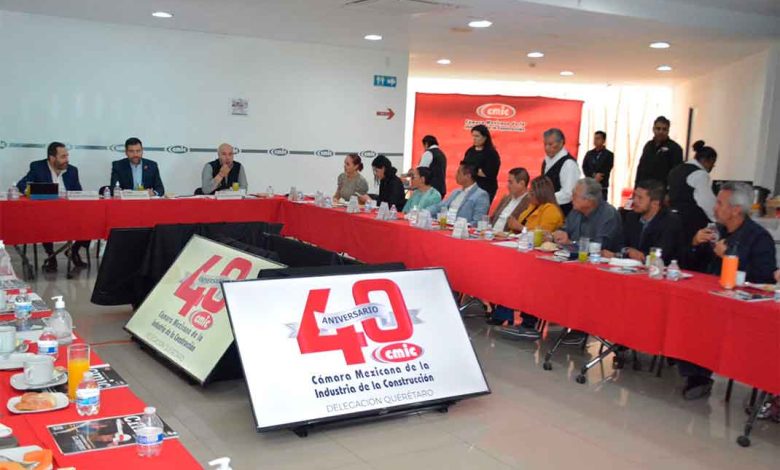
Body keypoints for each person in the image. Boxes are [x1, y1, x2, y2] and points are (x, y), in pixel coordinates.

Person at [678, 182, 777, 400]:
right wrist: (694, 243)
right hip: (707, 296)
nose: (715, 208)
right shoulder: (716, 231)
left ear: (736, 210)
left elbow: (764, 277)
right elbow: (690, 265)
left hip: (741, 307)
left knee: (706, 320)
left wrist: (729, 258)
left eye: (720, 204)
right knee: (684, 310)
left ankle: (700, 376)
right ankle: (691, 371)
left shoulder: (759, 238)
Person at [552, 178, 624, 346]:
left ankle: (581, 328)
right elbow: (565, 229)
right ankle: (541, 317)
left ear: (589, 200)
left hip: (602, 271)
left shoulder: (608, 215)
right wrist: (560, 234)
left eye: (575, 195)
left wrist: (572, 243)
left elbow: (599, 246)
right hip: (573, 264)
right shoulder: (576, 211)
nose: (571, 198)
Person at [493, 177, 565, 337]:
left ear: (541, 193)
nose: (530, 195)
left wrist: (520, 227)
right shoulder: (532, 207)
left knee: (521, 276)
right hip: (523, 250)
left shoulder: (551, 211)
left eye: (532, 192)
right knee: (504, 269)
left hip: (541, 257)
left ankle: (526, 322)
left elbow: (543, 235)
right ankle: (503, 313)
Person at [16, 142, 89, 271]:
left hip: (69, 212)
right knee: (44, 220)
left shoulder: (72, 170)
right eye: (63, 156)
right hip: (45, 213)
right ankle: (51, 256)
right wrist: (39, 192)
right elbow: (21, 185)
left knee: (92, 219)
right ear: (52, 158)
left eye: (67, 156)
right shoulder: (38, 167)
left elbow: (78, 192)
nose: (67, 159)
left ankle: (73, 251)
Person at [602, 180, 685, 265]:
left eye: (640, 198)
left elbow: (661, 254)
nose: (634, 200)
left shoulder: (670, 221)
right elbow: (618, 243)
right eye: (634, 196)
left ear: (655, 203)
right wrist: (627, 251)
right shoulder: (632, 216)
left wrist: (638, 255)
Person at [667, 140, 717, 248]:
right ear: (707, 161)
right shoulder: (700, 174)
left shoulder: (675, 170)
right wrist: (717, 218)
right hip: (691, 222)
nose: (712, 168)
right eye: (713, 164)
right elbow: (706, 201)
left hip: (672, 218)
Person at [427, 162, 490, 226]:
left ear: (468, 176)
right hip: (446, 224)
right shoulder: (456, 192)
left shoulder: (481, 195)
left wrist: (460, 225)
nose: (456, 175)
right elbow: (440, 206)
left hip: (461, 228)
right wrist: (426, 211)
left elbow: (478, 221)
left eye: (459, 173)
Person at [634, 116, 683, 188]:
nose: (661, 132)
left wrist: (669, 191)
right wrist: (636, 187)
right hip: (645, 188)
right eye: (658, 128)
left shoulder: (675, 148)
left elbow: (676, 174)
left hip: (661, 190)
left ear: (668, 131)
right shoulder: (648, 145)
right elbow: (640, 168)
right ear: (653, 129)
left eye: (664, 129)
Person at [541, 128, 580, 216]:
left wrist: (545, 199)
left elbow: (568, 194)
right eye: (545, 144)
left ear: (561, 143)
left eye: (550, 144)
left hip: (562, 213)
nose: (547, 148)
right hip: (547, 210)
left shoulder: (568, 164)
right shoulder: (546, 161)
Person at [463, 125, 501, 203]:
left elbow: (489, 173)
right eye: (473, 136)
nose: (474, 138)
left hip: (485, 187)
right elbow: (464, 167)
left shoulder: (491, 153)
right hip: (469, 186)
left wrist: (472, 170)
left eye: (477, 136)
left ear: (485, 137)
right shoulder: (470, 151)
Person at [490, 168, 531, 233]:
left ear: (522, 184)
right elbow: (492, 218)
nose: (508, 186)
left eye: (510, 182)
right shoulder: (506, 198)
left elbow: (529, 230)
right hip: (492, 234)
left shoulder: (530, 202)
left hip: (509, 236)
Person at [581, 131, 614, 201]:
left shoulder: (609, 154)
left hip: (602, 186)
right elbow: (584, 167)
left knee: (601, 204)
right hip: (590, 184)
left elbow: (607, 168)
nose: (595, 140)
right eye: (595, 138)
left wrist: (599, 176)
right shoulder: (589, 153)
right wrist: (593, 175)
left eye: (598, 138)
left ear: (603, 140)